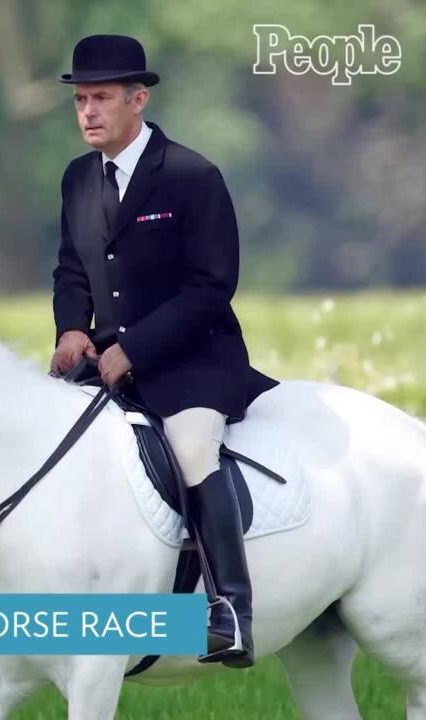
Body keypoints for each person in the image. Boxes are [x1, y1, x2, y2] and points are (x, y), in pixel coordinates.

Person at [50, 34, 278, 667]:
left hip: (193, 362)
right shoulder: (77, 179)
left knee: (194, 450)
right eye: (81, 100)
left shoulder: (191, 175)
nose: (88, 112)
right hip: (108, 359)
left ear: (138, 99)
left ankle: (230, 611)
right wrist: (72, 329)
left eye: (101, 99)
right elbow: (71, 270)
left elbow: (213, 286)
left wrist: (136, 348)